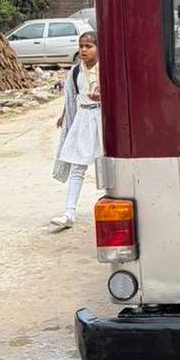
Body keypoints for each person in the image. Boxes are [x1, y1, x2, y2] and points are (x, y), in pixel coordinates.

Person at [50, 30, 103, 230]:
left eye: (88, 46)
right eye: (81, 46)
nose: (83, 50)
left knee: (107, 165)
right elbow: (71, 97)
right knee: (77, 166)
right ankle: (69, 213)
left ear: (99, 48)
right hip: (83, 119)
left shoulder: (106, 69)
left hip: (102, 121)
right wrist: (65, 116)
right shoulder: (75, 72)